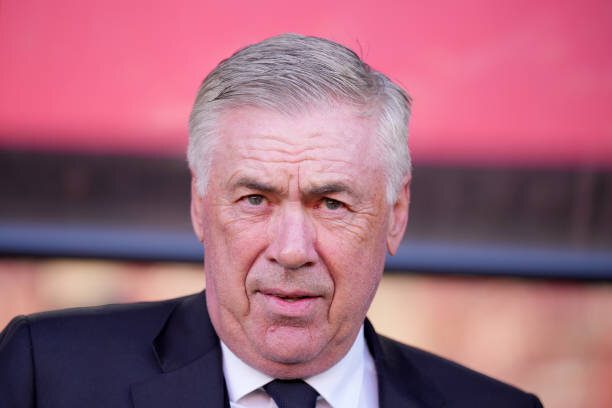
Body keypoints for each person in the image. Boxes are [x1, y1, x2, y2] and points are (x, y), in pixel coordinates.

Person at [0, 33, 542, 407]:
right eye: (255, 199)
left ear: (395, 215)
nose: (291, 249)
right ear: (200, 205)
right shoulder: (47, 376)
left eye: (331, 204)